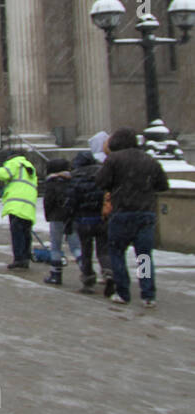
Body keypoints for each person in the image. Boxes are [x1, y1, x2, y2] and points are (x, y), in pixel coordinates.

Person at [96, 127, 168, 307]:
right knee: (144, 257)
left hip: (122, 212)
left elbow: (101, 182)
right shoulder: (149, 159)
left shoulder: (114, 159)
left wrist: (118, 188)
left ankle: (123, 292)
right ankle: (148, 294)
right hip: (145, 213)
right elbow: (162, 185)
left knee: (117, 253)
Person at [67, 150, 112, 296]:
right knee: (104, 251)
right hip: (102, 219)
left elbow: (71, 201)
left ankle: (88, 281)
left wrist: (70, 217)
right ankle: (109, 272)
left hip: (84, 220)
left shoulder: (76, 177)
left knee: (86, 252)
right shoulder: (102, 174)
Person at [0, 150, 38, 269]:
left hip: (16, 203)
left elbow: (2, 174)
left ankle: (19, 258)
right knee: (26, 232)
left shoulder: (14, 163)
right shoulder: (28, 167)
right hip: (28, 204)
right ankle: (25, 256)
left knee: (17, 232)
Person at [41, 158, 76, 286]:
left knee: (55, 246)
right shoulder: (71, 180)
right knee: (76, 246)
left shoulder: (51, 182)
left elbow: (48, 202)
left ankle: (56, 275)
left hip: (56, 217)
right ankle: (86, 271)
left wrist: (48, 216)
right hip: (70, 217)